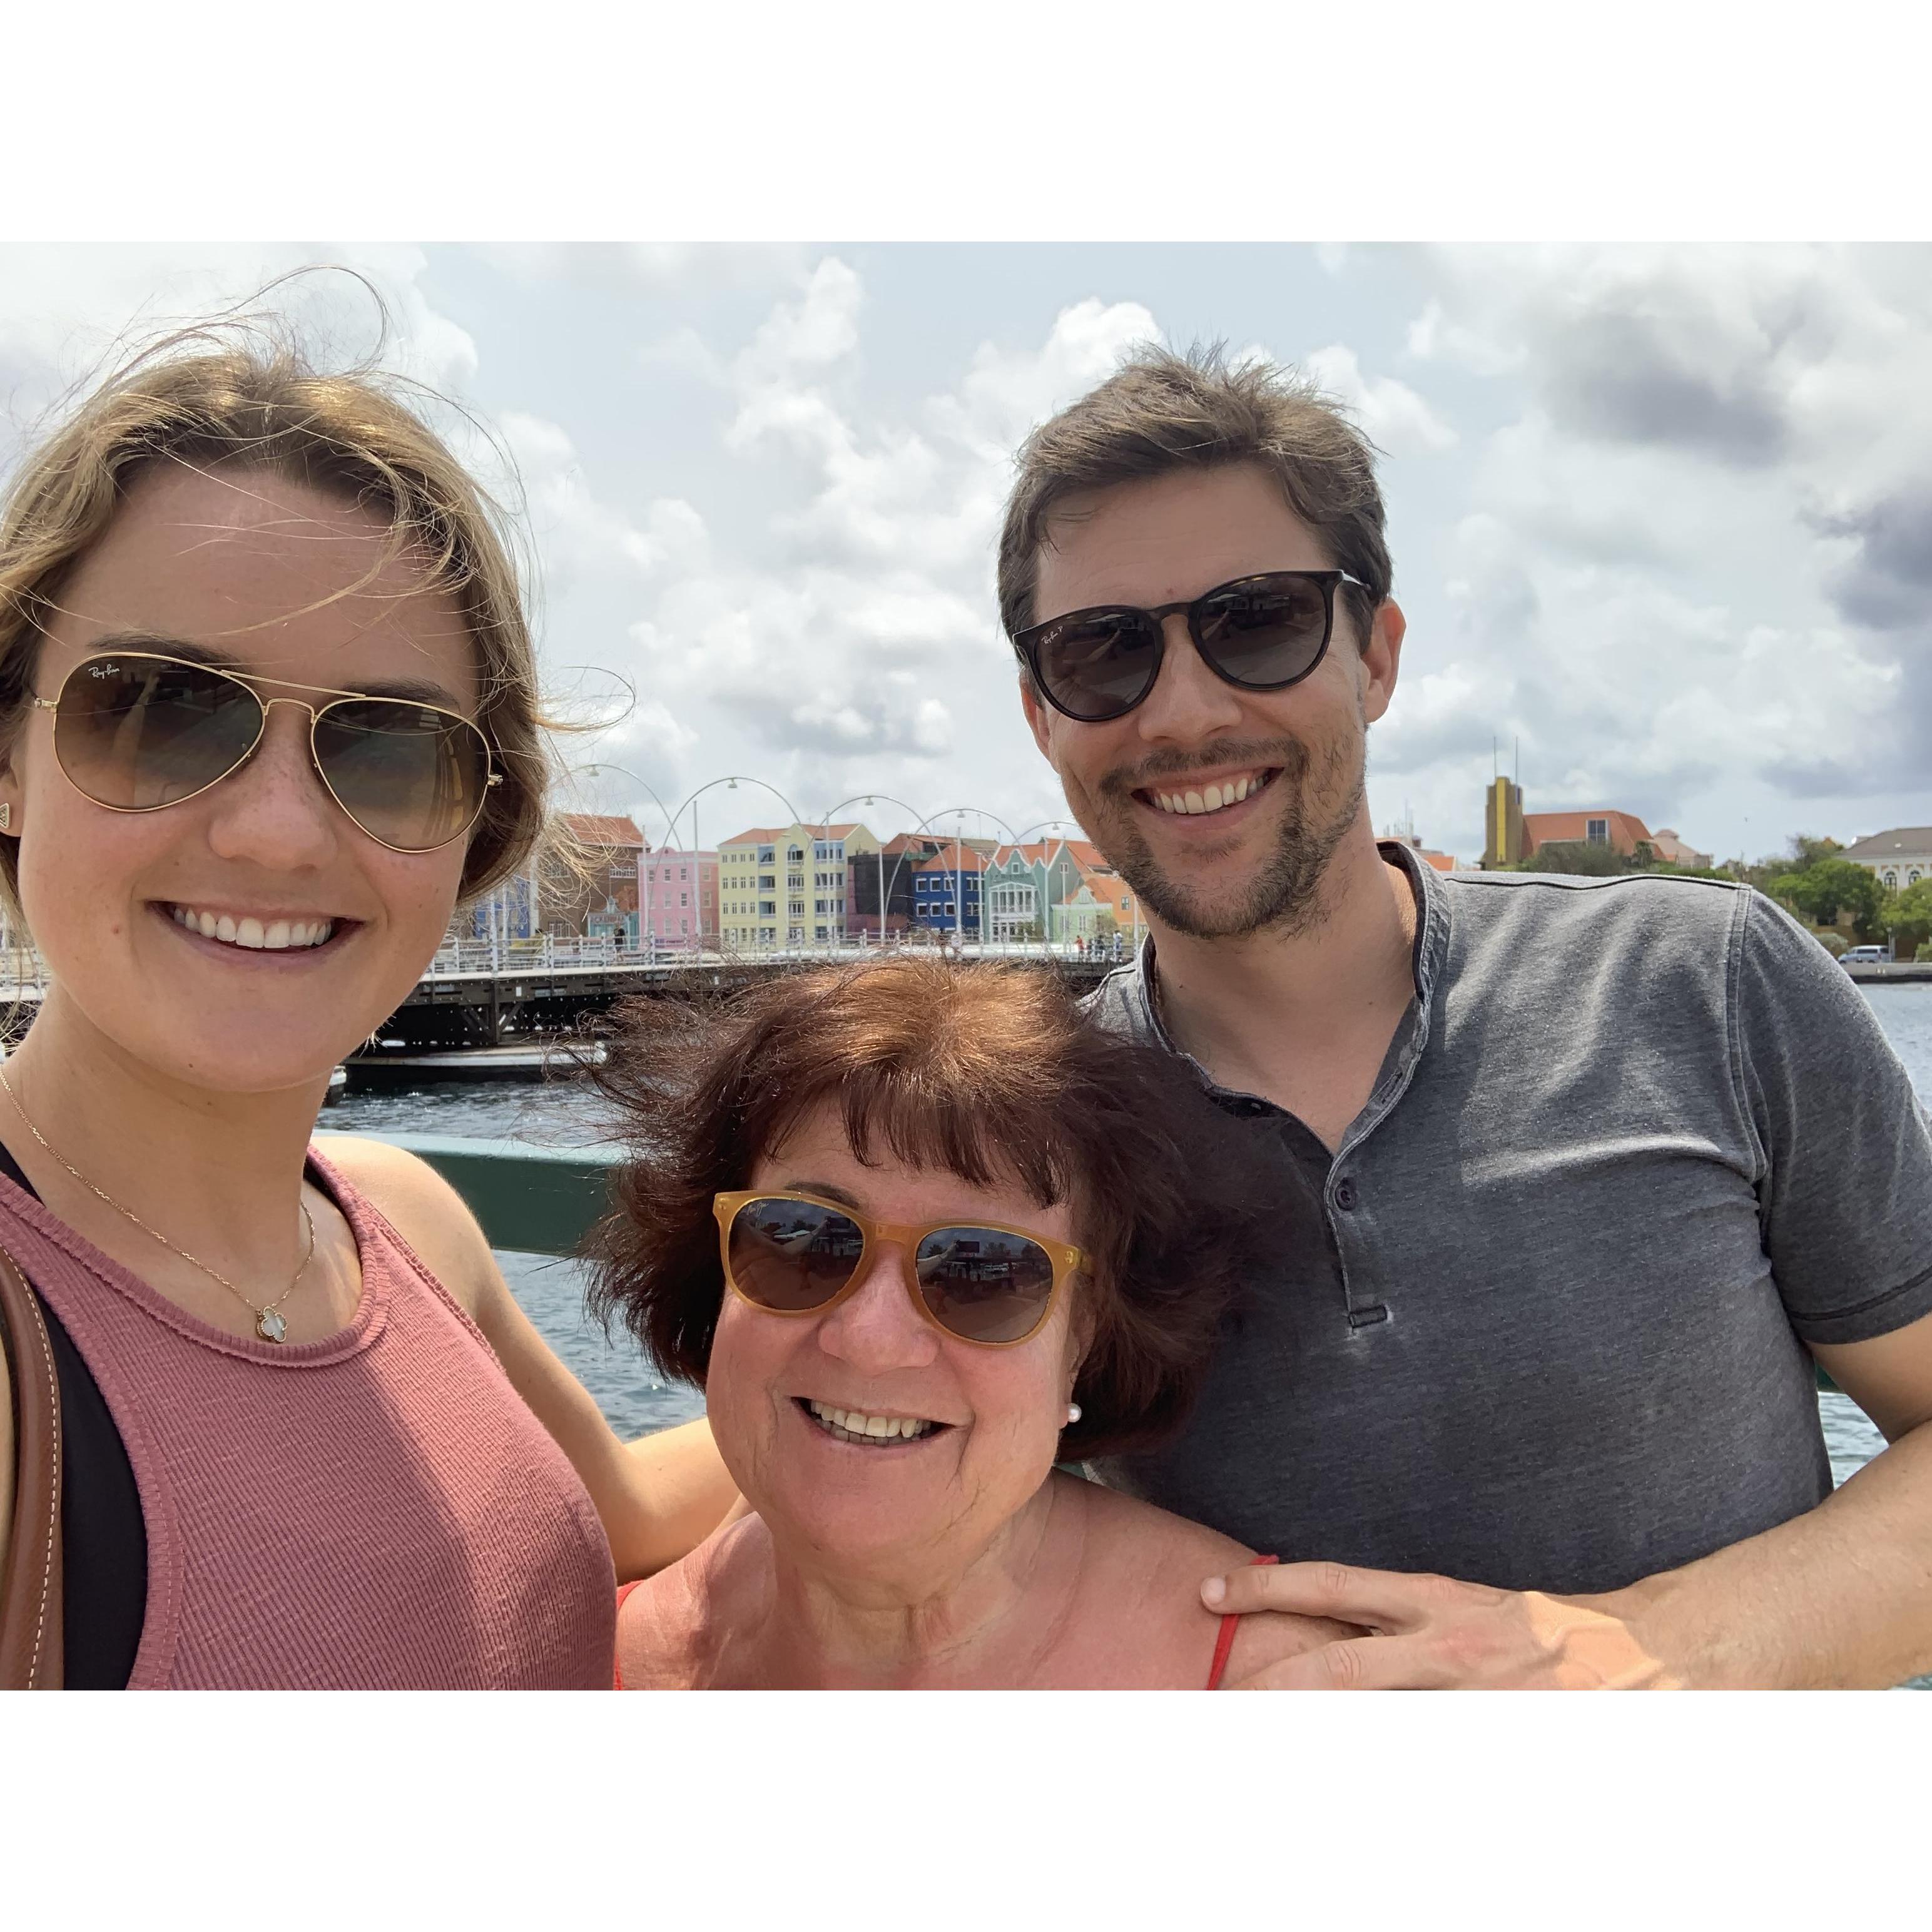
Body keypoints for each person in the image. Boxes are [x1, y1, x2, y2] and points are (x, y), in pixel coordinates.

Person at [1000, 344, 1932, 1689]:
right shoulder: (1038, 1127)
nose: (1184, 709)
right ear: (1041, 714)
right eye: (1102, 652)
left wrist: (1644, 1653)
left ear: (1373, 655)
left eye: (1256, 619)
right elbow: (832, 1424)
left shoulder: (1703, 981)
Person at [0, 319, 735, 1687]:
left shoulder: (405, 1218)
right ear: (9, 757)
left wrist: (967, 1361)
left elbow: (627, 1511)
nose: (279, 831)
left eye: (388, 749)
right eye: (161, 708)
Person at [588, 957, 1349, 1689]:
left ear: (1083, 1337)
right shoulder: (587, 1656)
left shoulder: (1288, 1683)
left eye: (981, 1270)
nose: (870, 1337)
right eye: (802, 1240)